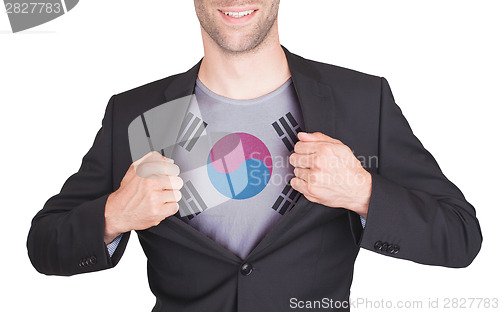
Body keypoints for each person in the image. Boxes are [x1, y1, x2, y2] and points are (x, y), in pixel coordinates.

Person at [27, 1, 482, 311]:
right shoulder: (137, 114)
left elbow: (460, 236)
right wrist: (114, 214)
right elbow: (44, 245)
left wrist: (363, 192)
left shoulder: (361, 101)